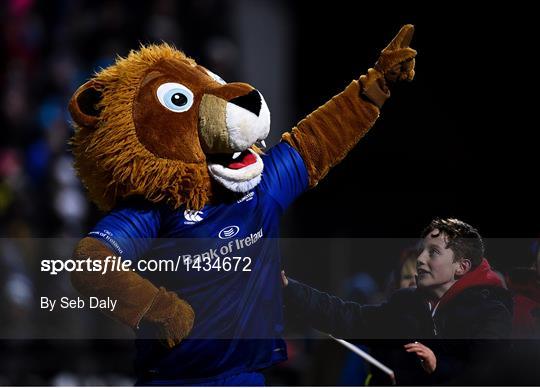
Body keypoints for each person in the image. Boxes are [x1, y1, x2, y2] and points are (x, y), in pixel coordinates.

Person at [282, 218, 513, 385]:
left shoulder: (492, 313)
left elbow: (490, 375)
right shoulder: (406, 304)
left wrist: (438, 365)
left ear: (461, 267)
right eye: (422, 250)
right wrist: (289, 290)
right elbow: (347, 318)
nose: (420, 259)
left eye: (432, 252)